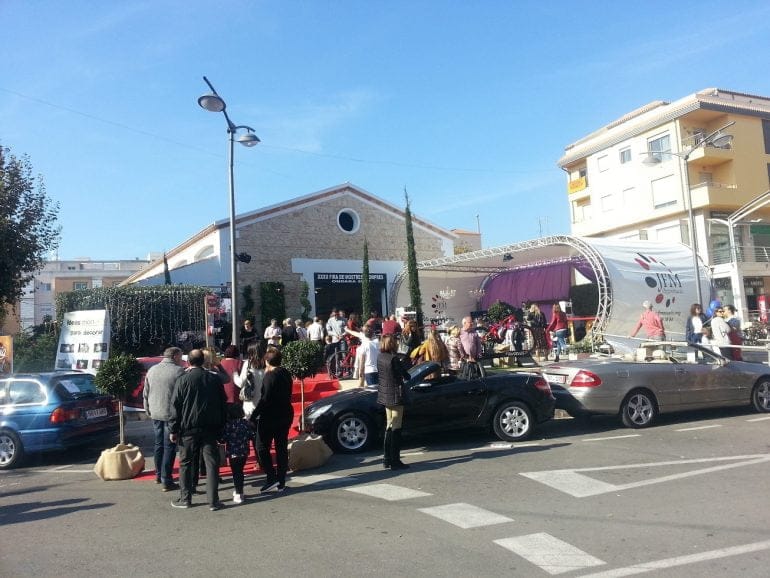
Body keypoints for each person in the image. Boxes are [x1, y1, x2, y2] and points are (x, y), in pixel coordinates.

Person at [168, 349, 227, 511]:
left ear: (188, 362)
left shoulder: (183, 380)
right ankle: (213, 501)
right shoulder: (214, 379)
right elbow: (223, 403)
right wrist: (222, 426)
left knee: (186, 463)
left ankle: (186, 498)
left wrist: (173, 429)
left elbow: (175, 406)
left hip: (188, 428)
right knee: (211, 463)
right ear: (203, 361)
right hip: (210, 427)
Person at [253, 347, 294, 493]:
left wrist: (254, 415)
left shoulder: (270, 376)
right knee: (280, 447)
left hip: (271, 415)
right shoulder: (285, 373)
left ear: (267, 361)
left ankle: (272, 477)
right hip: (285, 413)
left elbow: (265, 399)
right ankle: (281, 480)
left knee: (261, 446)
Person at [143, 346, 185, 491]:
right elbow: (181, 395)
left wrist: (147, 409)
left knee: (158, 444)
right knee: (170, 446)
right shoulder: (179, 371)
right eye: (180, 356)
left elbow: (145, 392)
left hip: (155, 411)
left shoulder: (152, 370)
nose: (182, 359)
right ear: (174, 356)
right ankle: (166, 479)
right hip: (170, 414)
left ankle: (158, 474)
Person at [376, 334, 412, 470]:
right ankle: (395, 460)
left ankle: (386, 459)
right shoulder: (394, 359)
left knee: (389, 425)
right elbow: (405, 375)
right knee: (396, 427)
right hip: (396, 395)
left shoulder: (380, 357)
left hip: (385, 395)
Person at [234, 340, 266, 464]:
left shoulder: (248, 364)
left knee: (252, 434)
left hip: (250, 405)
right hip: (263, 404)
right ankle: (262, 459)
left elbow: (240, 383)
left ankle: (258, 459)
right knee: (263, 435)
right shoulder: (266, 364)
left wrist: (234, 374)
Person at [221, 404, 253, 504]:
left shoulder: (228, 425)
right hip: (244, 452)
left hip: (233, 452)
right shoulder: (245, 423)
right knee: (240, 471)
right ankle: (239, 491)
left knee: (236, 473)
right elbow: (251, 435)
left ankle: (239, 492)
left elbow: (223, 439)